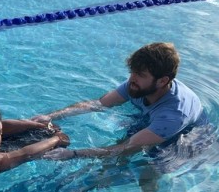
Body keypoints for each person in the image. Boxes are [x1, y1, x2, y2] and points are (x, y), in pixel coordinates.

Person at [34, 42, 205, 159]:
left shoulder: (173, 115)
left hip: (183, 138)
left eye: (140, 75)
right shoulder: (138, 84)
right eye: (132, 72)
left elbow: (124, 148)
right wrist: (51, 116)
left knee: (145, 168)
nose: (132, 78)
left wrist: (74, 154)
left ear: (162, 81)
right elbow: (98, 104)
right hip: (152, 119)